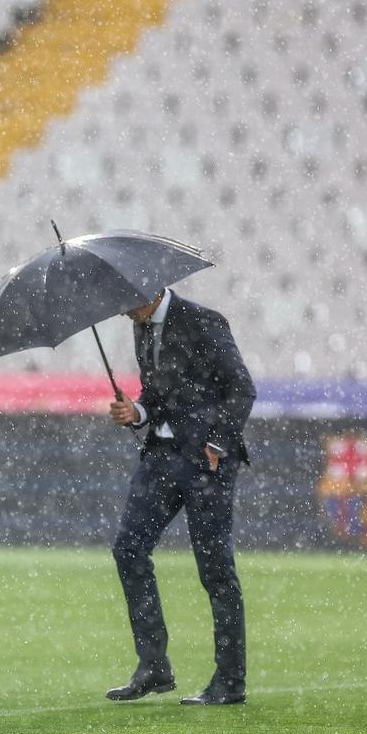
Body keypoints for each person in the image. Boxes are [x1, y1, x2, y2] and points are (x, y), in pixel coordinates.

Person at [107, 287, 256, 705]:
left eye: (127, 303)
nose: (122, 312)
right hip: (160, 456)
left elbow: (242, 388)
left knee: (215, 570)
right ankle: (153, 665)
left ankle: (230, 681)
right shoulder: (143, 325)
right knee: (128, 549)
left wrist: (216, 444)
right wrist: (136, 412)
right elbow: (157, 396)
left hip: (205, 461)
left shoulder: (204, 321)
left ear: (151, 290)